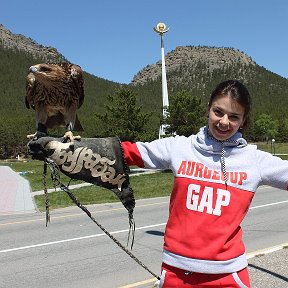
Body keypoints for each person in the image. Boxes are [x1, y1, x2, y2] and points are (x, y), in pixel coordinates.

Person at [121, 79, 288, 287]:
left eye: (234, 117)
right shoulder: (181, 148)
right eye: (218, 112)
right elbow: (128, 152)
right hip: (176, 273)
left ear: (243, 121)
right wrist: (73, 150)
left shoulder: (254, 160)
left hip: (227, 275)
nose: (224, 122)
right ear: (208, 109)